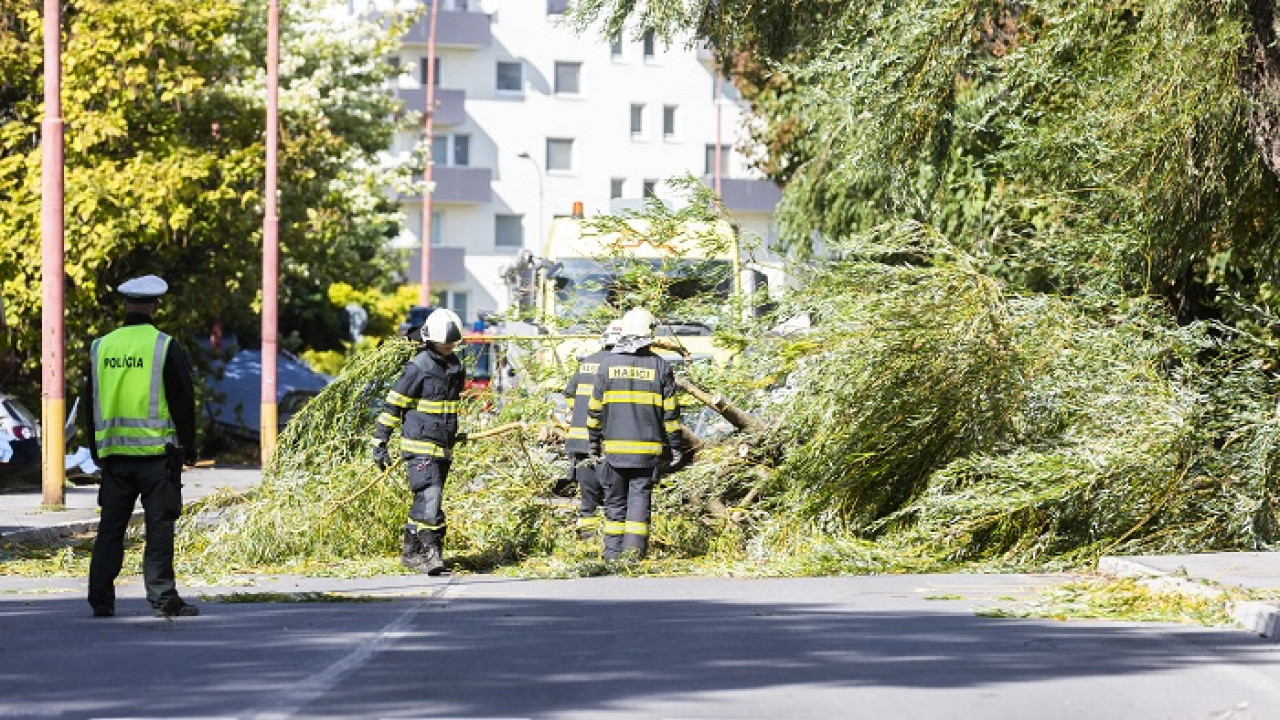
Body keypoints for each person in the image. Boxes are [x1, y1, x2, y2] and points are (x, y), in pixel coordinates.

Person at [85, 274, 199, 618]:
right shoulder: (164, 346)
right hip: (156, 459)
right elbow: (182, 402)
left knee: (110, 530)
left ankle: (100, 599)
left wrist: (96, 450)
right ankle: (163, 597)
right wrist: (190, 447)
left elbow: (90, 403)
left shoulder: (100, 347)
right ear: (155, 306)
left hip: (115, 458)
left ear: (124, 305)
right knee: (159, 528)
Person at [372, 308, 467, 575]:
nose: (450, 346)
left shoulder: (455, 367)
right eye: (445, 343)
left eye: (453, 343)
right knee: (430, 496)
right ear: (430, 340)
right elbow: (394, 405)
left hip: (443, 447)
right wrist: (380, 441)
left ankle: (410, 552)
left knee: (423, 501)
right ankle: (431, 554)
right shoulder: (418, 367)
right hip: (419, 447)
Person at [587, 307, 687, 560]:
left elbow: (595, 411)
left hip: (614, 452)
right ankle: (633, 555)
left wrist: (593, 443)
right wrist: (675, 446)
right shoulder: (660, 366)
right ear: (649, 334)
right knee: (639, 501)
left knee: (615, 502)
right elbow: (671, 415)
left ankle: (611, 555)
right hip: (647, 452)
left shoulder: (607, 365)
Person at [562, 319, 622, 540]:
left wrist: (578, 412)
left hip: (579, 444)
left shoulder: (587, 362)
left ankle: (587, 543)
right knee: (612, 500)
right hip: (604, 444)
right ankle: (611, 546)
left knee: (588, 501)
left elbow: (569, 394)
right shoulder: (618, 366)